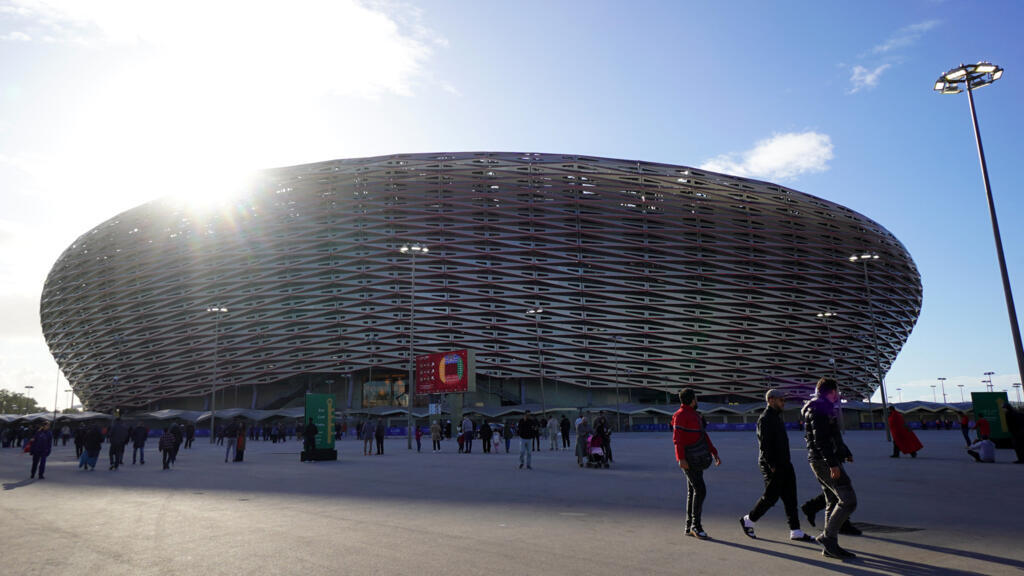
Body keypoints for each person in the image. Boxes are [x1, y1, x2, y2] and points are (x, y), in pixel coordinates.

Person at [740, 389, 813, 542]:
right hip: (772, 465)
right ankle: (748, 520)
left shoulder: (776, 417)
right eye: (781, 400)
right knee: (771, 497)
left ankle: (795, 530)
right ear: (771, 400)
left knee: (791, 497)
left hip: (785, 463)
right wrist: (772, 464)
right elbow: (764, 445)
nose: (783, 403)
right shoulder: (765, 418)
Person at [803, 377, 857, 559]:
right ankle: (828, 538)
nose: (838, 394)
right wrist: (832, 463)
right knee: (848, 500)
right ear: (832, 391)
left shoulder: (821, 406)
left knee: (832, 501)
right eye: (837, 391)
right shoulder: (818, 408)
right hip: (824, 461)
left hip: (823, 459)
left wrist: (845, 451)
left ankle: (830, 546)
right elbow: (821, 440)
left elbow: (833, 435)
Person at [672, 388, 721, 540]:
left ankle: (689, 526)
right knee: (700, 490)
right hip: (689, 459)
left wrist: (714, 452)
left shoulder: (695, 415)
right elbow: (677, 439)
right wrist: (681, 458)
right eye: (696, 398)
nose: (697, 400)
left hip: (697, 457)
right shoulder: (680, 416)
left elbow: (703, 435)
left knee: (693, 491)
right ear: (692, 400)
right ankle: (695, 526)